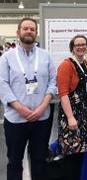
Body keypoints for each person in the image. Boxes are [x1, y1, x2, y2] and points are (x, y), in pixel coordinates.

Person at [0, 17, 56, 180]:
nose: (29, 31)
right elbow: (2, 84)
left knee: (40, 159)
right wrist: (21, 109)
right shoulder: (6, 58)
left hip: (42, 118)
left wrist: (41, 107)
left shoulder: (46, 56)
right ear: (18, 33)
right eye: (25, 28)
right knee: (15, 161)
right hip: (16, 119)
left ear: (36, 33)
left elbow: (53, 81)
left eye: (32, 29)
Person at [56, 35, 87, 180]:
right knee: (71, 155)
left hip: (86, 116)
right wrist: (70, 117)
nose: (80, 47)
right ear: (72, 48)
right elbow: (63, 94)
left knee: (80, 154)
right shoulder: (66, 65)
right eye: (77, 45)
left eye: (83, 44)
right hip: (72, 116)